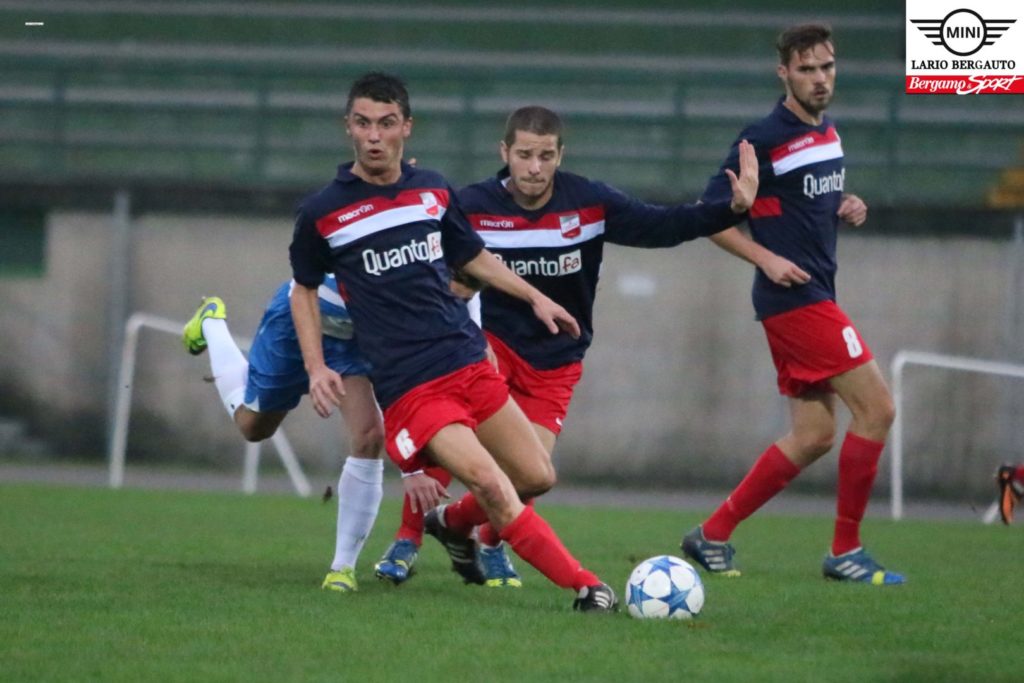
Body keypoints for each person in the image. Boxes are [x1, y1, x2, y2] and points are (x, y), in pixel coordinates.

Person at [373, 104, 761, 588]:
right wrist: (397, 190)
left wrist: (731, 209)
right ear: (504, 153)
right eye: (524, 155)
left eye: (545, 156)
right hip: (487, 349)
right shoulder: (473, 206)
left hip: (556, 359)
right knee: (444, 439)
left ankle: (459, 527)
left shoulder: (589, 202)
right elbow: (413, 235)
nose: (534, 167)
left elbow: (663, 226)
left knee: (533, 476)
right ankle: (407, 541)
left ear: (561, 155)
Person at [288, 71, 617, 612]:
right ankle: (587, 587)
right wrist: (316, 366)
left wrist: (534, 296)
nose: (375, 136)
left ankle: (445, 524)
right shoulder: (323, 212)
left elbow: (472, 256)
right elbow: (303, 290)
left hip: (467, 360)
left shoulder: (432, 190)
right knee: (490, 480)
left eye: (387, 124)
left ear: (406, 128)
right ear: (347, 127)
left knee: (537, 475)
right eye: (364, 123)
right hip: (415, 388)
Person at [680, 23, 905, 586]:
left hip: (815, 294)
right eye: (807, 69)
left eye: (827, 67)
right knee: (877, 408)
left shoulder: (828, 133)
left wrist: (844, 204)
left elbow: (807, 204)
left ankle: (712, 534)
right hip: (794, 299)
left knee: (814, 435)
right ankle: (846, 550)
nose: (820, 78)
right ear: (784, 73)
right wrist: (764, 258)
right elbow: (709, 217)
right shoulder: (761, 138)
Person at [181, 277, 448, 593]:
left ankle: (342, 569)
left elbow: (399, 381)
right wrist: (315, 367)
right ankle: (211, 321)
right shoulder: (331, 230)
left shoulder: (419, 257)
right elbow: (304, 281)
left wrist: (412, 466)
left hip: (350, 338)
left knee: (369, 435)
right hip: (297, 324)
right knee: (253, 427)